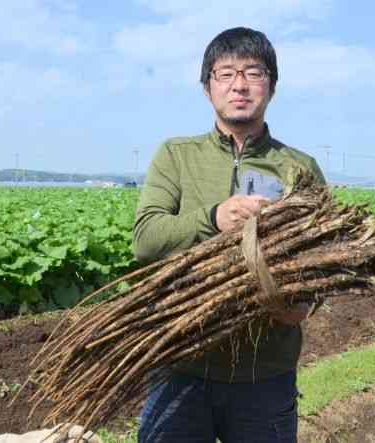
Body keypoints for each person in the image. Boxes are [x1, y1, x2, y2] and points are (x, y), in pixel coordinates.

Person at [132, 27, 325, 442]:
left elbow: (326, 259)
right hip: (179, 362)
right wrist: (213, 217)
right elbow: (146, 239)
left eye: (254, 73)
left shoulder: (299, 167)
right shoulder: (176, 155)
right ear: (207, 88)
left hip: (265, 373)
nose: (240, 85)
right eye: (225, 74)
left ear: (272, 85)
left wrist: (302, 305)